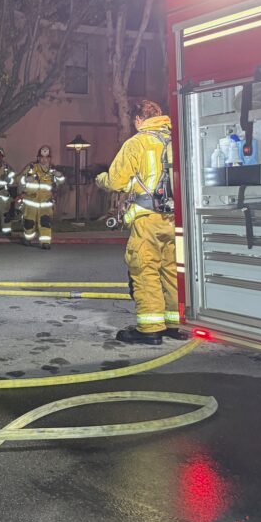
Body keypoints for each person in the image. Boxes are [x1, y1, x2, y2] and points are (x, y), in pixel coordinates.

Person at [96, 100, 188, 345]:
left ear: (139, 119)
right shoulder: (176, 141)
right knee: (171, 270)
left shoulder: (137, 143)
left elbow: (115, 181)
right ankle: (175, 323)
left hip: (147, 220)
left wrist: (100, 179)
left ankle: (150, 329)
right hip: (175, 219)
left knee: (145, 269)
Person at [17, 145, 65, 249]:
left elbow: (60, 182)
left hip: (45, 203)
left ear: (50, 158)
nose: (44, 160)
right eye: (42, 157)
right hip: (31, 202)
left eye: (47, 157)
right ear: (38, 158)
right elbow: (18, 179)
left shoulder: (52, 171)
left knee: (45, 222)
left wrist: (60, 176)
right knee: (29, 222)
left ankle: (45, 242)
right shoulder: (31, 168)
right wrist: (25, 179)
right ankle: (28, 238)